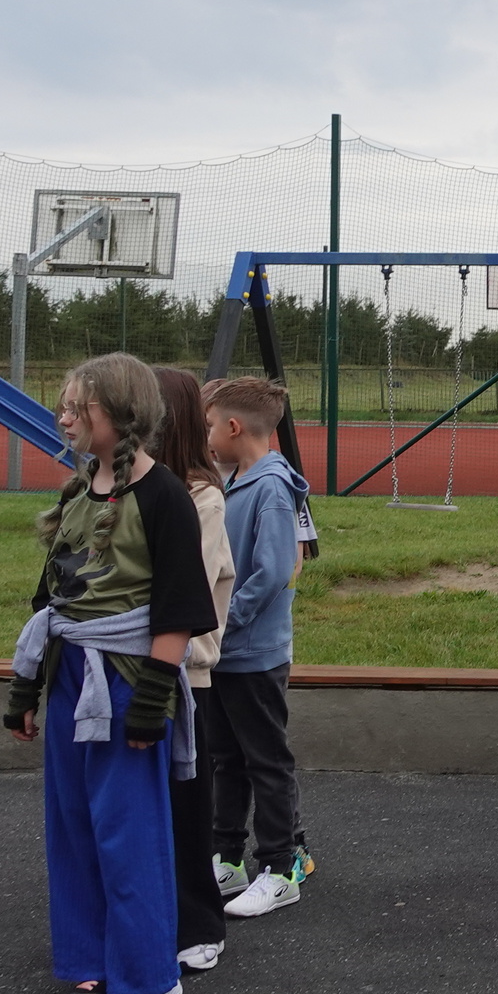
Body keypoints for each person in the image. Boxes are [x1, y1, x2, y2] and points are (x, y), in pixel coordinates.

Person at [2, 354, 219, 994]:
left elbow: (179, 609)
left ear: (122, 415)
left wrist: (152, 701)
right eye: (64, 406)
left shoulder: (165, 498)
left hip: (126, 683)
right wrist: (26, 689)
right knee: (73, 828)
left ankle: (148, 976)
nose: (64, 418)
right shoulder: (78, 492)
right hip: (72, 676)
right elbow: (52, 597)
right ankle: (90, 965)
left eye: (79, 407)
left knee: (128, 831)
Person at [204, 376, 314, 921]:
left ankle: (280, 868)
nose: (204, 436)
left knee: (266, 760)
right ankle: (227, 858)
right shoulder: (236, 479)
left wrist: (224, 624)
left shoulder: (270, 486)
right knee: (226, 758)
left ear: (232, 427)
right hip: (225, 652)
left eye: (208, 426)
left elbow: (272, 571)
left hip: (252, 653)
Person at [154, 367, 236, 973]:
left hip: (185, 676)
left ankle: (199, 925)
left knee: (185, 807)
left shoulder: (201, 498)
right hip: (132, 664)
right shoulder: (126, 486)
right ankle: (147, 915)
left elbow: (186, 591)